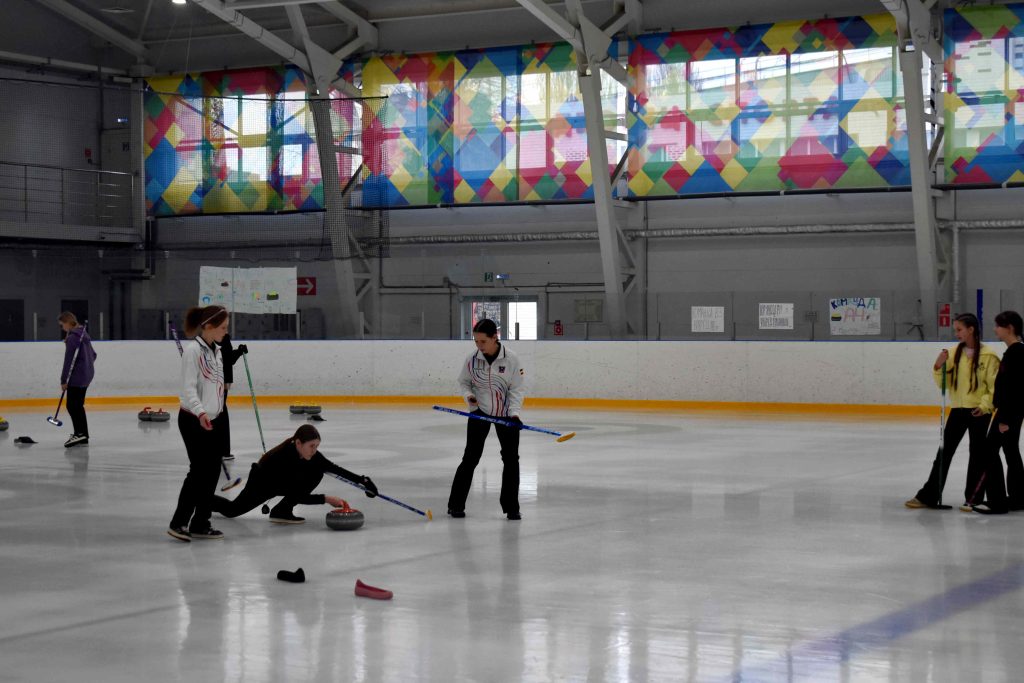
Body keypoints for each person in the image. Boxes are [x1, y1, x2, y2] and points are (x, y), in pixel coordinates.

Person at [905, 313, 998, 509]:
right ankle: (928, 496)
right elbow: (943, 384)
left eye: (959, 329)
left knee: (977, 454)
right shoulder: (953, 353)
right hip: (958, 410)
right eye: (956, 330)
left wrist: (984, 406)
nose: (956, 333)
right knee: (944, 453)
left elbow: (993, 388)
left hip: (980, 412)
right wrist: (938, 366)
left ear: (971, 329)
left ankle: (973, 498)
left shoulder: (989, 356)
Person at [211, 424, 378, 524]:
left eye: (317, 446)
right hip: (262, 484)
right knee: (231, 511)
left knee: (318, 471)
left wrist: (362, 481)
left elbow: (333, 468)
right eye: (311, 446)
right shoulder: (283, 458)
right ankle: (202, 499)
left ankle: (281, 511)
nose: (314, 450)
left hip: (280, 483)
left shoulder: (309, 453)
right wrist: (326, 499)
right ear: (298, 443)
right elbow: (297, 495)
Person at [447, 318, 527, 521]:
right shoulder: (472, 359)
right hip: (479, 411)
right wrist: (469, 398)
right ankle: (455, 504)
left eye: (483, 341)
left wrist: (515, 414)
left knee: (511, 460)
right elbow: (464, 382)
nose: (479, 346)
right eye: (476, 341)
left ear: (494, 338)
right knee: (470, 457)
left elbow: (516, 389)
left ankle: (511, 507)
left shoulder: (511, 359)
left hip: (506, 414)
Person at [168, 305, 230, 542]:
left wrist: (217, 411)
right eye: (223, 327)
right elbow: (188, 389)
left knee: (212, 472)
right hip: (193, 419)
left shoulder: (217, 351)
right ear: (209, 326)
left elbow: (216, 387)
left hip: (213, 419)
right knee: (199, 472)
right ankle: (178, 522)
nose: (226, 332)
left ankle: (201, 522)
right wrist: (201, 412)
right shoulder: (193, 351)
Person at [973, 311, 1024, 515]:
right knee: (1011, 452)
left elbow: (1015, 390)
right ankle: (1018, 498)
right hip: (1010, 412)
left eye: (998, 326)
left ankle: (998, 501)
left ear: (1009, 328)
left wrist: (1004, 419)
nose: (995, 330)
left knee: (988, 451)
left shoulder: (1016, 353)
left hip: (1008, 414)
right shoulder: (1015, 351)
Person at [58, 312, 97, 448]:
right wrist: (86, 365)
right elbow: (94, 355)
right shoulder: (83, 335)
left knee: (72, 405)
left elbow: (68, 361)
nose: (62, 328)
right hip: (87, 374)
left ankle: (80, 433)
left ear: (68, 323)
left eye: (62, 325)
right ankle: (82, 435)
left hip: (77, 376)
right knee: (77, 405)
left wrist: (63, 380)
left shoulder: (73, 338)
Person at [215, 334, 247, 461]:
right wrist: (239, 352)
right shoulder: (219, 337)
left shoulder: (215, 336)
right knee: (220, 413)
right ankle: (222, 450)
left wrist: (239, 352)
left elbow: (227, 358)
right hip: (219, 381)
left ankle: (219, 450)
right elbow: (227, 358)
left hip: (217, 381)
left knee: (218, 412)